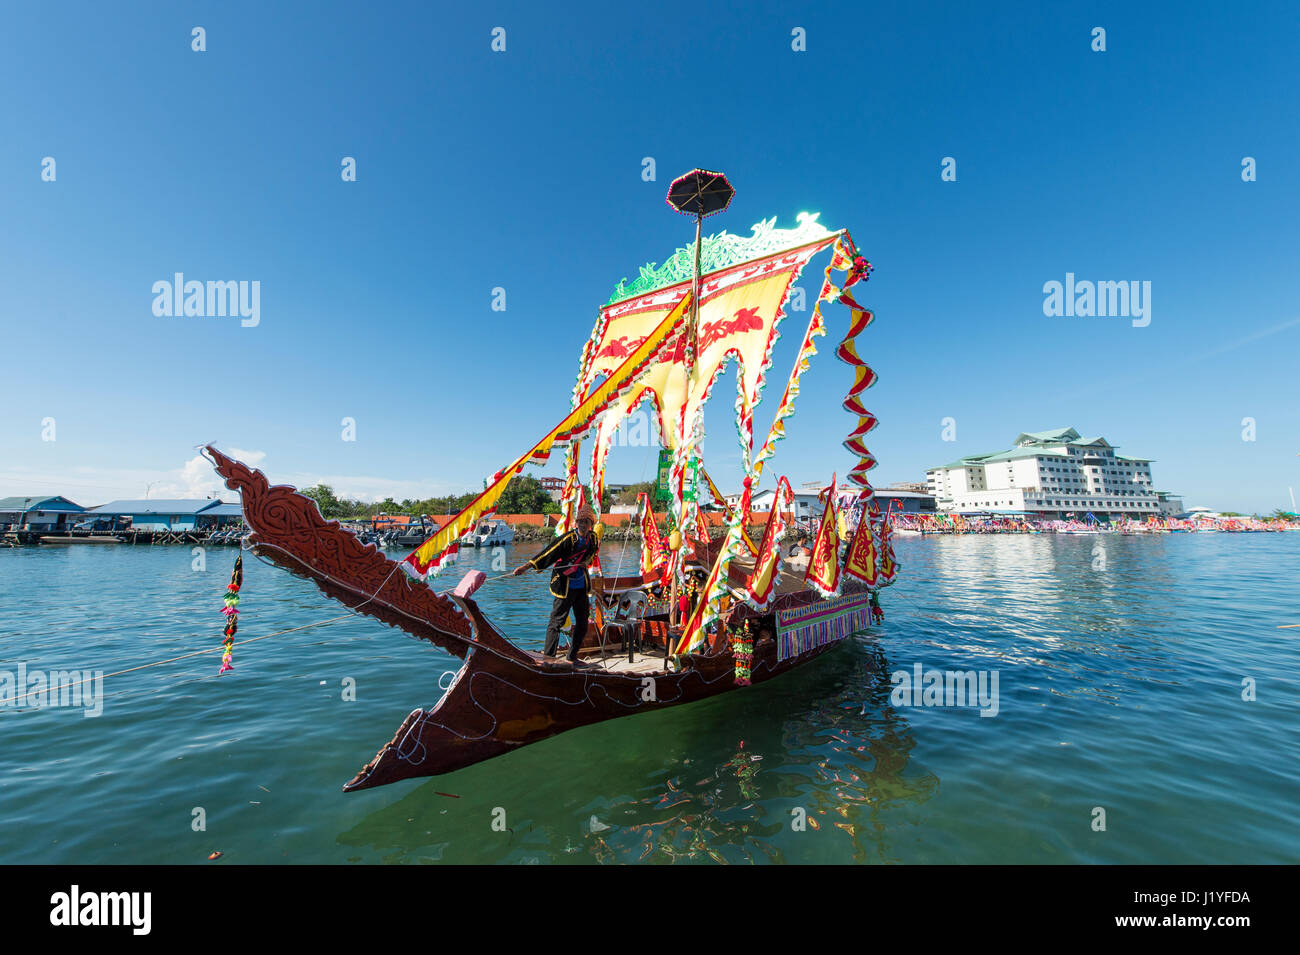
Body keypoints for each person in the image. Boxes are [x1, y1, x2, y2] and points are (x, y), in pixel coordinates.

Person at [513, 505, 600, 663]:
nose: (583, 524)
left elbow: (592, 555)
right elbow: (548, 553)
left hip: (581, 586)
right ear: (576, 523)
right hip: (564, 586)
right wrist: (526, 567)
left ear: (590, 524)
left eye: (586, 522)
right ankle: (549, 658)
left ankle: (572, 657)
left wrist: (585, 562)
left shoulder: (593, 538)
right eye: (580, 521)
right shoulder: (567, 539)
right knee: (556, 623)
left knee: (582, 622)